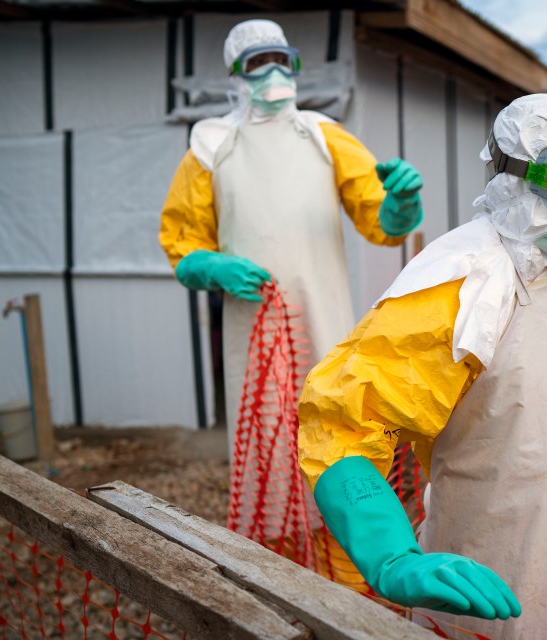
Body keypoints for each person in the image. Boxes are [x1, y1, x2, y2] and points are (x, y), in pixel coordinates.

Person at [298, 93, 547, 639]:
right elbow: (342, 426)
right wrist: (391, 556)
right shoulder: (458, 290)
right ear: (514, 178)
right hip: (482, 573)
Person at [158, 18, 424, 446]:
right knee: (264, 433)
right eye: (258, 62)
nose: (273, 73)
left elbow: (380, 222)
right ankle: (272, 515)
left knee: (331, 420)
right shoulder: (210, 145)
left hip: (324, 311)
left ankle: (328, 515)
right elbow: (182, 238)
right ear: (237, 74)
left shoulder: (325, 136)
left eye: (282, 61)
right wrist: (208, 265)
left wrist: (401, 204)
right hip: (253, 320)